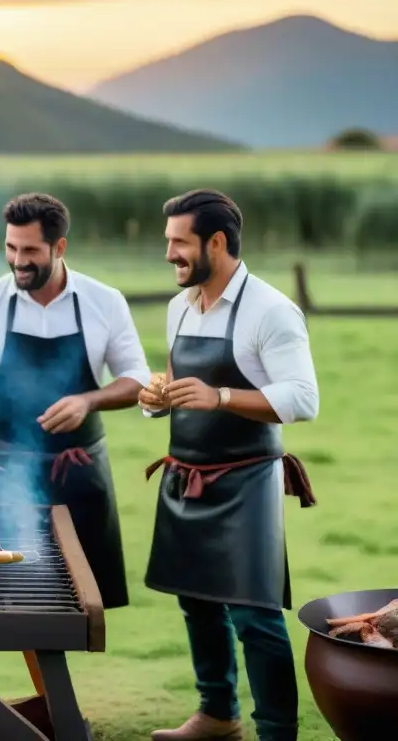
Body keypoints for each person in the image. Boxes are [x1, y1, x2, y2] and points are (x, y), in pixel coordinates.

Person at [138, 189, 319, 741]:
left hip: (245, 481)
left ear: (216, 242)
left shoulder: (270, 309)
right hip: (184, 475)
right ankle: (218, 715)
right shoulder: (178, 307)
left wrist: (220, 397)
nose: (169, 253)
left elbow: (303, 398)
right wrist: (157, 397)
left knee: (256, 617)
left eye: (179, 242)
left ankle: (276, 733)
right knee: (196, 600)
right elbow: (177, 381)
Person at [0, 192, 150, 611]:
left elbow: (137, 378)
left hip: (81, 477)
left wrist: (89, 401)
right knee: (8, 602)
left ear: (60, 247)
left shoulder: (104, 302)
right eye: (11, 247)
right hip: (3, 473)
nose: (18, 260)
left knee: (82, 608)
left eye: (30, 250)